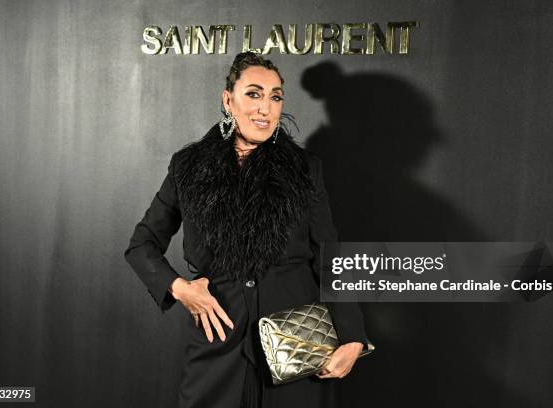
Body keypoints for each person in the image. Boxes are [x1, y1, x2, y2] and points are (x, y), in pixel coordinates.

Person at [124, 51, 371, 408]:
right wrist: (180, 288)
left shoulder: (305, 168)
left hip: (296, 346)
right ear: (228, 100)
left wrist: (352, 336)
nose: (266, 108)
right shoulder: (188, 167)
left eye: (275, 97)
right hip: (219, 344)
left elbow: (330, 255)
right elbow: (141, 245)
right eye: (254, 94)